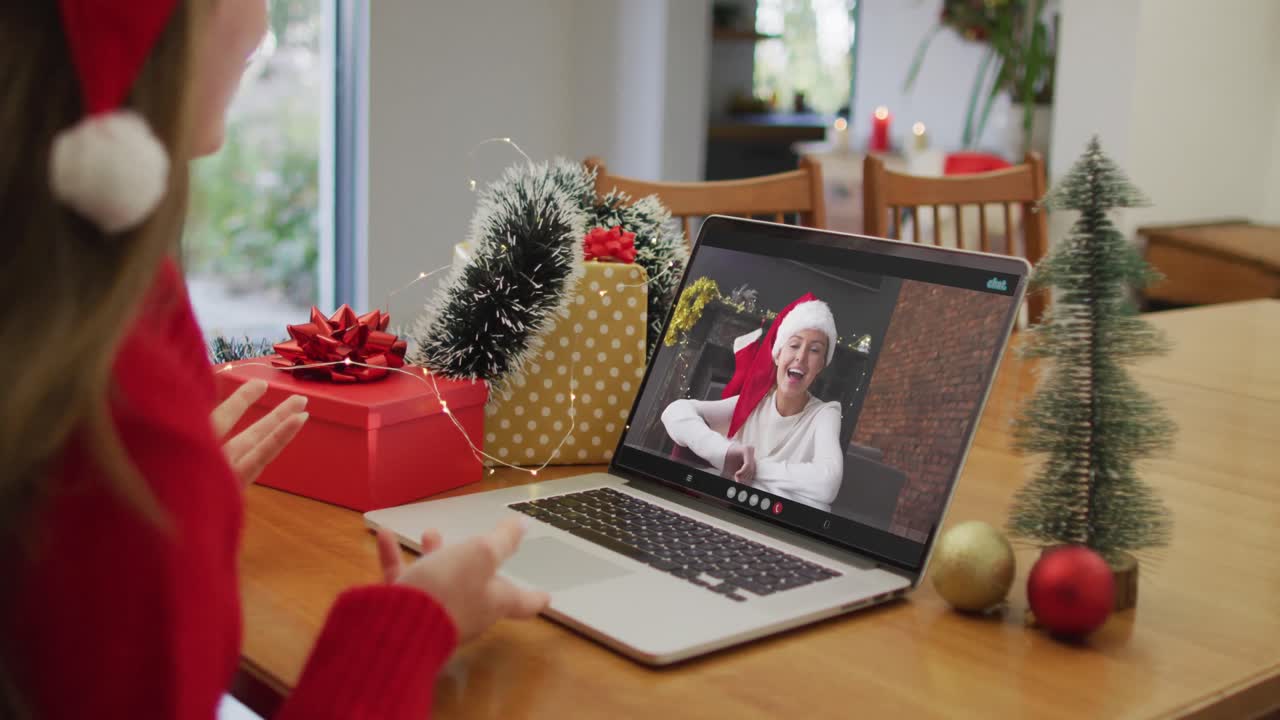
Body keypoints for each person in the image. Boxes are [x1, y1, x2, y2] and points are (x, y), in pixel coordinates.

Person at [0, 2, 547, 718]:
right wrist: (414, 621)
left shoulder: (79, 332)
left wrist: (183, 522)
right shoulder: (120, 424)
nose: (262, 28)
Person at [661, 293, 845, 511]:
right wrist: (726, 453)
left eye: (814, 350)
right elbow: (674, 412)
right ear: (778, 355)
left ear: (821, 366)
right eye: (794, 345)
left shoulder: (825, 414)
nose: (801, 357)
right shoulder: (754, 403)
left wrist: (753, 468)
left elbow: (828, 482)